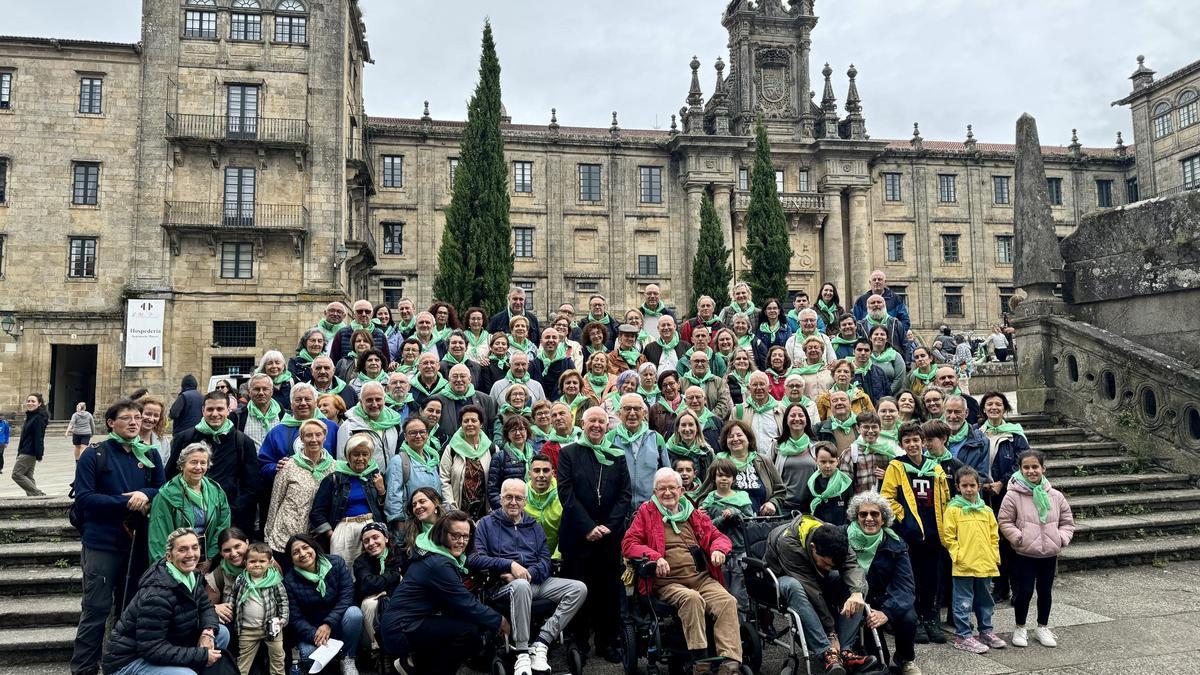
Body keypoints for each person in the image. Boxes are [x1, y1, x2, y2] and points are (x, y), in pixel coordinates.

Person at [71, 399, 167, 675]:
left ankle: (120, 662)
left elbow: (160, 488)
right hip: (102, 542)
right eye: (126, 418)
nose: (134, 422)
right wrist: (125, 502)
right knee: (96, 608)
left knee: (130, 607)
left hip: (136, 543)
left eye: (137, 417)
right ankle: (85, 667)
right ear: (111, 423)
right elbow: (85, 498)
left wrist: (144, 495)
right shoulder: (95, 454)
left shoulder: (149, 454)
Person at [622, 467, 743, 675]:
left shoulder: (692, 513)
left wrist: (718, 550)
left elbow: (718, 537)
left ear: (681, 490)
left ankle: (730, 662)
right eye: (662, 489)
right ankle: (701, 662)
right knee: (692, 599)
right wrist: (654, 557)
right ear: (654, 492)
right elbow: (629, 543)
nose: (667, 493)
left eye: (672, 488)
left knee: (727, 601)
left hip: (701, 578)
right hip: (668, 582)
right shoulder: (647, 512)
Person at [472, 478, 589, 675]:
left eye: (518, 498)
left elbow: (546, 560)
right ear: (500, 499)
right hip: (503, 586)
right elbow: (475, 558)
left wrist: (528, 574)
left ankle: (542, 641)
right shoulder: (486, 524)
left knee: (579, 588)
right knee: (520, 586)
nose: (513, 502)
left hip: (535, 581)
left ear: (525, 501)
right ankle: (523, 652)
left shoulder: (533, 526)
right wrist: (510, 565)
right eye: (508, 497)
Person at [381, 511, 508, 675]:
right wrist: (499, 620)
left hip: (406, 623)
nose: (461, 541)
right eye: (455, 536)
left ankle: (413, 664)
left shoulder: (434, 553)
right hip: (401, 629)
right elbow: (466, 603)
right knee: (469, 632)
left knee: (460, 625)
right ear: (442, 534)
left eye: (466, 536)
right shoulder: (439, 564)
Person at [556, 407, 632, 662]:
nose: (597, 425)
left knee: (607, 592)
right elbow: (566, 493)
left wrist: (608, 526)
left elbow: (625, 495)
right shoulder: (568, 453)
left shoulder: (617, 456)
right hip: (578, 536)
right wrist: (588, 526)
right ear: (583, 423)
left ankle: (607, 642)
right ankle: (578, 643)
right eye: (592, 421)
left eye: (602, 421)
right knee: (577, 589)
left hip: (608, 537)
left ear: (607, 425)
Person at [101, 528, 230, 675]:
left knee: (221, 634)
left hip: (168, 643)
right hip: (129, 661)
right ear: (169, 556)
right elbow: (151, 648)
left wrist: (207, 632)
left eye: (195, 547)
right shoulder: (156, 595)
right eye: (182, 549)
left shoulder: (191, 577)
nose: (191, 554)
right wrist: (200, 655)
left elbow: (206, 607)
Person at [764, 514, 874, 675]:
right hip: (782, 576)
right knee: (795, 587)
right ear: (813, 547)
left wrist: (856, 593)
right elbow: (811, 589)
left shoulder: (836, 536)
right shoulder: (788, 542)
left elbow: (852, 566)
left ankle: (844, 651)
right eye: (826, 563)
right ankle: (827, 651)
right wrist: (831, 632)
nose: (829, 567)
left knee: (858, 584)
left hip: (815, 575)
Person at [880, 421, 949, 644]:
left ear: (923, 442)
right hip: (908, 535)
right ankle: (915, 619)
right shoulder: (896, 466)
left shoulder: (935, 467)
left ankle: (931, 619)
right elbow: (887, 497)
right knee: (912, 579)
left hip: (933, 533)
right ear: (901, 444)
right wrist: (903, 517)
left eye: (916, 440)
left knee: (932, 579)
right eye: (907, 441)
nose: (912, 445)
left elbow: (945, 497)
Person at [999, 450, 1075, 649]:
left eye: (1035, 467)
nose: (1031, 471)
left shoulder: (1055, 496)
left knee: (1045, 591)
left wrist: (1061, 538)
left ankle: (1042, 627)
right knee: (1024, 592)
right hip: (1025, 553)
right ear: (1020, 469)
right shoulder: (1013, 495)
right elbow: (1005, 521)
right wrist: (1018, 538)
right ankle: (1020, 627)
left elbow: (1067, 521)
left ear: (1043, 468)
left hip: (1049, 552)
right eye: (1026, 467)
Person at [844, 492, 920, 675]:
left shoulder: (896, 544)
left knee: (909, 618)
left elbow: (906, 586)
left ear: (883, 518)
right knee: (879, 663)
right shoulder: (843, 537)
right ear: (856, 517)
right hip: (855, 601)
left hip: (885, 599)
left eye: (875, 514)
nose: (869, 518)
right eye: (863, 514)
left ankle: (905, 658)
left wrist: (887, 612)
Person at [168, 391, 260, 533]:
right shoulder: (184, 438)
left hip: (229, 517)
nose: (215, 414)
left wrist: (231, 510)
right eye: (210, 409)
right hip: (188, 516)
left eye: (220, 409)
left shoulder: (242, 442)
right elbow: (170, 475)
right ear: (203, 410)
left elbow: (251, 485)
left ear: (228, 411)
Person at [942, 466, 1006, 654]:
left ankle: (986, 630)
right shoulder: (953, 510)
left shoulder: (985, 511)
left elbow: (994, 535)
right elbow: (948, 537)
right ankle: (963, 635)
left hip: (985, 563)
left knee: (985, 600)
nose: (969, 489)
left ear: (979, 486)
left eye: (972, 485)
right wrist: (958, 555)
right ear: (958, 487)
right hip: (964, 563)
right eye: (965, 486)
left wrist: (994, 556)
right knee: (963, 601)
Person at [282, 533, 363, 675]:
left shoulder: (336, 563)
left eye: (305, 547)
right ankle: (331, 659)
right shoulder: (289, 581)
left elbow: (347, 595)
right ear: (291, 559)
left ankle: (348, 657)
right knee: (308, 656)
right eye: (295, 552)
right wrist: (316, 635)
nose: (302, 554)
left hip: (337, 622)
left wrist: (328, 623)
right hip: (312, 630)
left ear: (313, 547)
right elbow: (295, 618)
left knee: (354, 613)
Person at [978, 391, 1028, 601]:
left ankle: (1017, 589)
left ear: (1005, 408)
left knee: (1011, 542)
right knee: (993, 541)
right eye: (989, 404)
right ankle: (999, 588)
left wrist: (1002, 482)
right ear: (984, 409)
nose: (994, 408)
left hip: (1010, 493)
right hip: (984, 493)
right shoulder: (978, 432)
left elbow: (1022, 462)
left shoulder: (1015, 434)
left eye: (998, 404)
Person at [148, 443, 231, 563]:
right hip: (178, 562)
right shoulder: (166, 495)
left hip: (209, 560)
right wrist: (168, 568)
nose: (198, 467)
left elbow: (223, 526)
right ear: (182, 465)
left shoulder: (216, 491)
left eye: (203, 463)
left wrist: (210, 558)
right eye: (193, 462)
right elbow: (159, 539)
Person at [310, 433, 386, 564]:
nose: (360, 458)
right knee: (345, 570)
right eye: (356, 454)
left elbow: (383, 507)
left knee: (372, 568)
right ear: (348, 456)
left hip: (370, 528)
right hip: (344, 529)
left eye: (365, 454)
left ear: (370, 456)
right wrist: (331, 535)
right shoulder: (333, 479)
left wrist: (382, 491)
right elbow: (317, 512)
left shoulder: (375, 477)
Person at [264, 419, 336, 553]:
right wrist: (268, 537)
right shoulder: (288, 465)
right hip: (286, 534)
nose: (314, 439)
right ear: (301, 438)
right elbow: (275, 502)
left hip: (318, 537)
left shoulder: (334, 467)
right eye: (308, 435)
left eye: (318, 435)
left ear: (325, 437)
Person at [699, 458, 755, 608]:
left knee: (739, 591)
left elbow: (750, 521)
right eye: (720, 475)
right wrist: (721, 519)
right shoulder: (709, 500)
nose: (724, 479)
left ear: (734, 479)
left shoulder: (742, 497)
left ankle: (741, 625)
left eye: (728, 476)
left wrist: (736, 513)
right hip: (718, 553)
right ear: (714, 478)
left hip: (739, 550)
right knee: (722, 590)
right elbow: (706, 527)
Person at [227, 541, 289, 675]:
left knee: (277, 657)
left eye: (262, 561)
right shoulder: (241, 579)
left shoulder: (274, 580)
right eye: (252, 561)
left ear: (269, 562)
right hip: (247, 629)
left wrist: (283, 619)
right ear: (245, 563)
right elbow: (232, 596)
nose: (257, 564)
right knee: (243, 660)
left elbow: (283, 601)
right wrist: (229, 608)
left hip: (272, 627)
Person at [703, 419, 784, 516]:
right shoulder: (718, 462)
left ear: (748, 438)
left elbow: (780, 490)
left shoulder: (763, 461)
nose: (735, 439)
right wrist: (705, 509)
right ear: (726, 441)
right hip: (728, 524)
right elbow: (704, 494)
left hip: (762, 523)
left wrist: (773, 503)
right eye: (730, 436)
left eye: (739, 435)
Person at [607, 393, 671, 507]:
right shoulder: (609, 438)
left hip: (650, 507)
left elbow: (666, 475)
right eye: (627, 409)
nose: (632, 413)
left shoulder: (656, 439)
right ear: (619, 413)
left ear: (644, 413)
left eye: (637, 409)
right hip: (618, 509)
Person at [353, 522, 403, 654]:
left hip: (396, 599)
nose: (371, 543)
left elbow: (407, 583)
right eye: (366, 541)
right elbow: (367, 585)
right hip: (369, 614)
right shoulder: (360, 562)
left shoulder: (398, 554)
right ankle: (378, 650)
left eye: (376, 537)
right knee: (370, 603)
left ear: (386, 538)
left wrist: (387, 591)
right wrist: (394, 576)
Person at [439, 404, 492, 519]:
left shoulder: (491, 449)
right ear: (461, 424)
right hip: (457, 511)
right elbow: (444, 479)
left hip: (485, 512)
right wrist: (451, 507)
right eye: (466, 421)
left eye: (474, 420)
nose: (470, 424)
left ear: (481, 424)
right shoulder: (451, 449)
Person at [336, 381, 403, 471]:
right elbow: (343, 461)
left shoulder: (394, 422)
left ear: (385, 399)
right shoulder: (349, 427)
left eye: (378, 399)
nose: (374, 404)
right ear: (360, 401)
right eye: (369, 400)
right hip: (364, 482)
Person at [838, 411, 897, 494]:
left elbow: (896, 481)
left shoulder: (887, 453)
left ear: (880, 429)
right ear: (858, 428)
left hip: (882, 502)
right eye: (866, 427)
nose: (870, 431)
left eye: (874, 427)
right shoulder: (850, 453)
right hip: (859, 502)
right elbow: (844, 484)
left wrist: (887, 476)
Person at [797, 442, 855, 526]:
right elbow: (804, 510)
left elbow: (851, 510)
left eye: (831, 462)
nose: (827, 466)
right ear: (816, 460)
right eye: (823, 462)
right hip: (817, 531)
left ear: (837, 461)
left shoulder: (845, 483)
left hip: (840, 530)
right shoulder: (812, 483)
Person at [774, 402, 817, 511]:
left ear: (807, 420)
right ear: (786, 420)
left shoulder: (815, 446)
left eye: (801, 415)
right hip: (783, 507)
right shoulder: (776, 446)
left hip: (811, 507)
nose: (797, 419)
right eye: (792, 415)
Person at [730, 372, 784, 460]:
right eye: (755, 385)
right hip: (748, 462)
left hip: (776, 461)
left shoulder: (781, 409)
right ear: (748, 388)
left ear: (769, 388)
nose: (759, 388)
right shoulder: (738, 411)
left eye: (762, 384)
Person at [489, 415, 537, 509]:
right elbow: (493, 490)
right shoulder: (499, 457)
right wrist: (505, 509)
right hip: (509, 509)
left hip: (533, 509)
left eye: (521, 429)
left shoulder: (534, 455)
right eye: (513, 430)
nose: (518, 433)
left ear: (527, 431)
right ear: (507, 434)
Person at [524, 453, 564, 555]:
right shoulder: (521, 495)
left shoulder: (563, 496)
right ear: (529, 474)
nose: (541, 475)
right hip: (526, 556)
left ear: (553, 473)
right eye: (537, 471)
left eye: (546, 470)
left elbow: (567, 532)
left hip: (556, 557)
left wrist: (556, 558)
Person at [330, 299, 391, 364]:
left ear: (372, 314)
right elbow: (333, 360)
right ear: (354, 314)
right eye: (360, 311)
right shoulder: (342, 333)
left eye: (367, 311)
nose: (364, 314)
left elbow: (386, 362)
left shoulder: (380, 335)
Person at [851, 270, 911, 334]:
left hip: (891, 341)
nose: (877, 281)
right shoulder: (861, 301)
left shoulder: (896, 299)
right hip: (867, 341)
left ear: (885, 282)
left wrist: (897, 336)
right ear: (870, 282)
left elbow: (905, 321)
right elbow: (855, 323)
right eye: (874, 279)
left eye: (879, 279)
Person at [399, 487, 445, 570]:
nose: (417, 507)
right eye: (414, 505)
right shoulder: (409, 535)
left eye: (422, 501)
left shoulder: (451, 527)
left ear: (436, 502)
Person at [12, 393, 48, 496]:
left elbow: (39, 437)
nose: (30, 403)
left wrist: (39, 453)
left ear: (39, 403)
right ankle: (35, 501)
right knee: (28, 476)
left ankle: (38, 494)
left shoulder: (38, 418)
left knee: (16, 474)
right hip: (25, 450)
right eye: (28, 401)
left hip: (29, 451)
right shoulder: (31, 416)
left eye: (33, 401)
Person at [665, 409, 716, 482]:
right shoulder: (667, 451)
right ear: (677, 429)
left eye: (691, 425)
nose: (687, 429)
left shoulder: (707, 452)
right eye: (683, 425)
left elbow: (712, 480)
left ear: (697, 428)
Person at [235, 373, 283, 449]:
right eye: (256, 389)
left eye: (265, 389)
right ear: (249, 392)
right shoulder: (238, 416)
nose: (261, 393)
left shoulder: (283, 415)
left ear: (272, 391)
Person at [530, 327, 573, 400]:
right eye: (547, 337)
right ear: (541, 342)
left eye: (554, 337)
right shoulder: (534, 365)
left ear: (559, 341)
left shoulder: (568, 363)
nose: (551, 340)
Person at [867, 325, 906, 396]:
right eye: (876, 334)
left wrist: (888, 393)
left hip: (890, 396)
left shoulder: (895, 356)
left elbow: (900, 378)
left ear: (887, 338)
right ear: (870, 338)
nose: (879, 336)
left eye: (882, 334)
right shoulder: (865, 355)